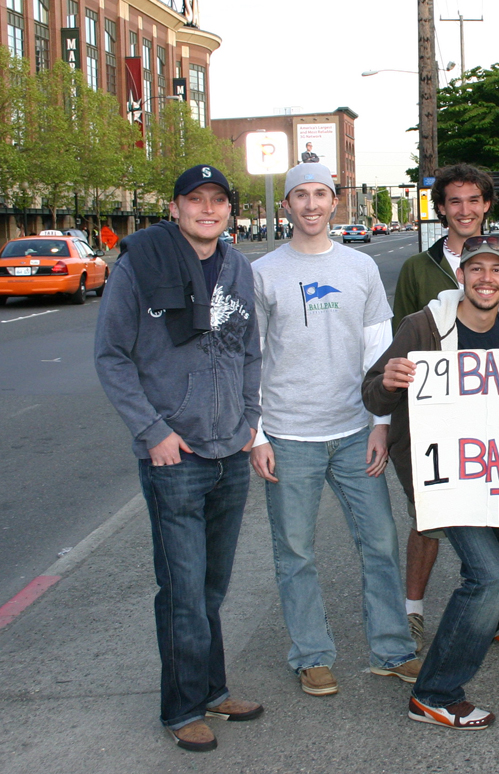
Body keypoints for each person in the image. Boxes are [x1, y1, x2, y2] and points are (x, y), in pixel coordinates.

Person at [95, 165, 264, 752]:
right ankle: (181, 707)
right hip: (175, 456)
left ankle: (212, 690)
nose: (208, 209)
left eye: (218, 200)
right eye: (196, 199)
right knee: (182, 590)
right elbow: (112, 355)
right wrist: (151, 431)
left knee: (212, 588)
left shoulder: (238, 267)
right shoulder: (140, 263)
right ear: (175, 208)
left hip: (229, 451)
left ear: (229, 211)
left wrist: (249, 422)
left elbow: (249, 351)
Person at [249, 162, 419, 698]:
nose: (311, 204)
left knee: (380, 543)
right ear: (288, 205)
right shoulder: (263, 272)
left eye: (320, 193)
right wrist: (256, 436)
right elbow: (248, 359)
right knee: (295, 552)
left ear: (334, 200)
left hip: (353, 431)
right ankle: (311, 655)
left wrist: (380, 424)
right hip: (287, 435)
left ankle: (392, 650)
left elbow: (379, 352)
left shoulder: (360, 268)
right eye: (300, 195)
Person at [363, 235, 499, 728]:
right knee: (488, 576)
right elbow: (374, 396)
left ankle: (491, 625)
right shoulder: (421, 327)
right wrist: (390, 380)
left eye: (496, 271)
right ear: (460, 276)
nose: (486, 279)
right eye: (475, 269)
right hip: (442, 474)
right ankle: (435, 692)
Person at [391, 163, 499, 651]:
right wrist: (384, 420)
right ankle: (412, 611)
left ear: (486, 206)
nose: (465, 210)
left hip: (498, 421)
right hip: (437, 422)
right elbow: (400, 348)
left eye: (473, 200)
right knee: (429, 518)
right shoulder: (418, 269)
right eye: (454, 201)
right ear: (440, 209)